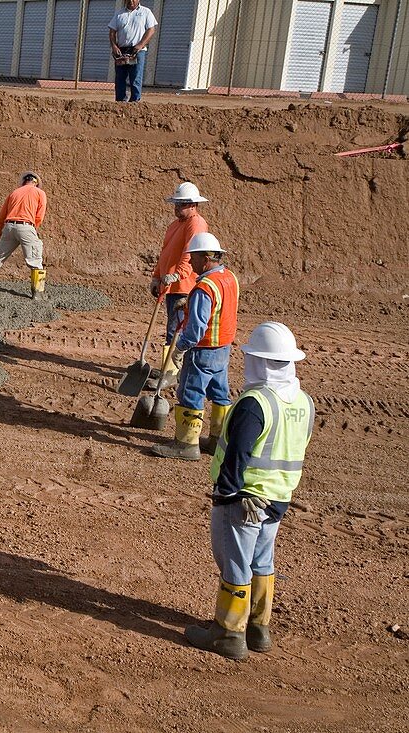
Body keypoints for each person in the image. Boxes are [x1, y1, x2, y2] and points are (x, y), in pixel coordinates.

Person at [185, 322, 314, 661]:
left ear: (259, 361)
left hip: (244, 499)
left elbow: (238, 453)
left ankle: (228, 633)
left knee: (235, 565)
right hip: (278, 499)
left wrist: (225, 494)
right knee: (261, 561)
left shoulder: (255, 402)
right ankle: (259, 627)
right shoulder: (303, 401)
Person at [151, 232, 239, 461]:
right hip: (223, 348)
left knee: (190, 392)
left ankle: (186, 445)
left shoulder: (204, 287)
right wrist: (189, 302)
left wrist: (180, 348)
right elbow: (218, 310)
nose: (190, 262)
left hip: (203, 349)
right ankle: (218, 440)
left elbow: (196, 328)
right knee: (220, 393)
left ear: (206, 258)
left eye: (194, 257)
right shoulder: (229, 278)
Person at [150, 182, 209, 389]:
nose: (177, 208)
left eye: (181, 204)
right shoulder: (175, 225)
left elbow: (190, 253)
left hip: (183, 286)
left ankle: (172, 373)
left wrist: (177, 275)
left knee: (175, 330)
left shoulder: (196, 223)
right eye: (176, 204)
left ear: (193, 205)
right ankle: (168, 369)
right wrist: (157, 276)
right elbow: (165, 252)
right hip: (170, 285)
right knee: (171, 328)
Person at [0, 172, 49, 299]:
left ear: (24, 181)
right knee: (35, 260)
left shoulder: (14, 193)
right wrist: (32, 229)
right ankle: (38, 295)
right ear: (36, 183)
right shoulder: (40, 193)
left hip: (8, 227)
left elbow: (1, 217)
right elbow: (39, 216)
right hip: (27, 226)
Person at [108, 0, 157, 103]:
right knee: (120, 78)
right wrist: (114, 46)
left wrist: (140, 45)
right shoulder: (119, 13)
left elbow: (151, 30)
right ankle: (120, 101)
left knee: (135, 78)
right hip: (121, 50)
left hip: (137, 51)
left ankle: (134, 102)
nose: (131, 1)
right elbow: (112, 31)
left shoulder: (145, 12)